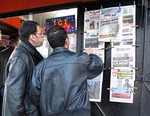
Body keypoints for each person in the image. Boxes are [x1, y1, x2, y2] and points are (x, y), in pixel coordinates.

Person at [29, 25, 103, 116]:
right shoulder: (80, 59)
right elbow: (98, 66)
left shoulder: (40, 67)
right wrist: (91, 55)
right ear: (66, 41)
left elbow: (34, 95)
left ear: (50, 44)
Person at [2, 21, 44, 116]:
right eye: (40, 33)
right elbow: (14, 96)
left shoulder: (27, 54)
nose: (43, 36)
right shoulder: (20, 57)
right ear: (32, 37)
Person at [0, 36, 18, 116]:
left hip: (1, 84)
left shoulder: (1, 53)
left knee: (2, 105)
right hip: (10, 84)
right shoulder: (16, 54)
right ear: (15, 44)